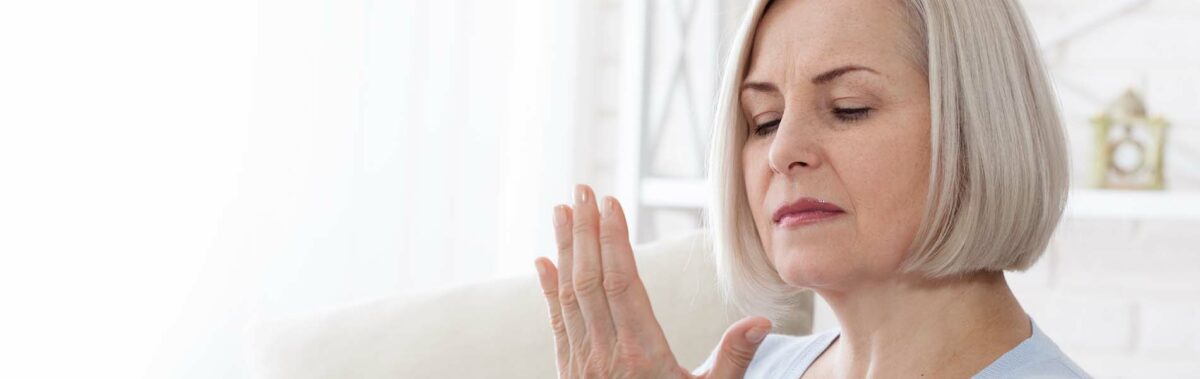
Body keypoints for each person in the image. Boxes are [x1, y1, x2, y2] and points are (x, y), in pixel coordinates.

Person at [531, 0, 1089, 377]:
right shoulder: (751, 367)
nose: (781, 152)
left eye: (849, 109)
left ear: (977, 129)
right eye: (764, 120)